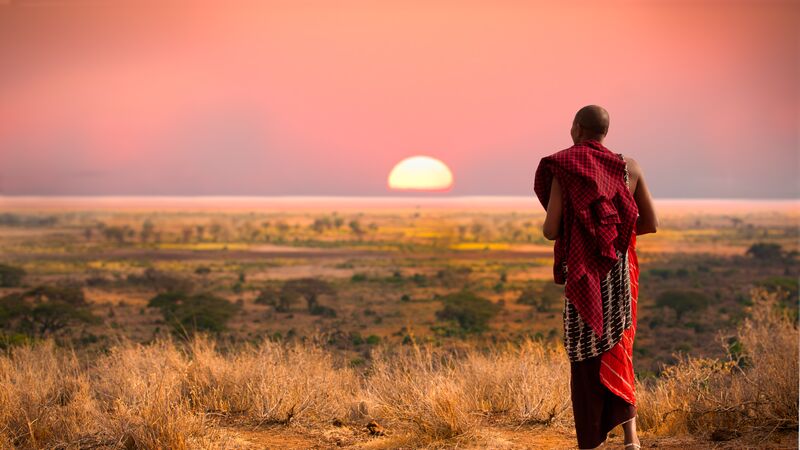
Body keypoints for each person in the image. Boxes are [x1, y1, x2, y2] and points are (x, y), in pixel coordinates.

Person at [533, 105, 659, 449]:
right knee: (619, 347)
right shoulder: (629, 167)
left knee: (585, 356)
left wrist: (582, 231)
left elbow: (549, 229)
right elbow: (649, 223)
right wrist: (613, 235)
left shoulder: (565, 168)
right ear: (605, 131)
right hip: (619, 272)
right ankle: (631, 440)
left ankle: (590, 442)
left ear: (576, 129)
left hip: (584, 275)